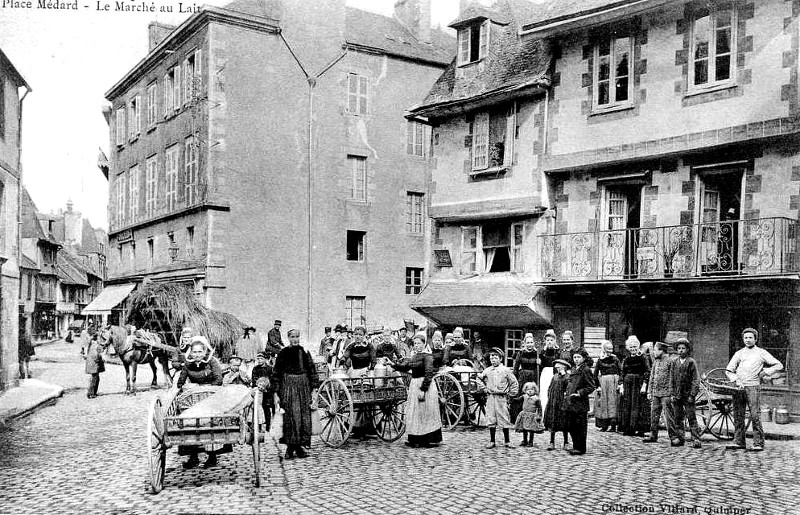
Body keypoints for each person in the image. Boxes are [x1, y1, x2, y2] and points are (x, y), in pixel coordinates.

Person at [725, 328, 784, 451]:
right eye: (745, 338)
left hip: (753, 387)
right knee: (738, 415)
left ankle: (758, 443)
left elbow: (779, 365)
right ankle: (739, 441)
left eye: (750, 337)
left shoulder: (761, 352)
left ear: (755, 339)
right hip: (739, 387)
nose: (748, 340)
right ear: (743, 339)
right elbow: (728, 370)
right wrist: (736, 380)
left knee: (754, 415)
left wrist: (765, 372)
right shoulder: (739, 353)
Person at [175, 337, 228, 468]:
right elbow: (180, 382)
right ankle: (193, 456)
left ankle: (212, 456)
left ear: (205, 352)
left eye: (200, 352)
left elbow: (219, 379)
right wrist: (188, 387)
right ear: (190, 353)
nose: (197, 355)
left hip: (210, 396)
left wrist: (204, 388)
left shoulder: (212, 362)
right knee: (189, 423)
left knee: (211, 422)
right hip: (193, 399)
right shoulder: (188, 364)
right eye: (194, 352)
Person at [273, 329, 319, 459]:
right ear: (288, 338)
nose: (295, 339)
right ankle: (290, 447)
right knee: (291, 417)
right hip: (288, 387)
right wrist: (276, 393)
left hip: (303, 387)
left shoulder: (304, 352)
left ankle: (299, 447)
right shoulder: (283, 353)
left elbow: (312, 370)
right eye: (292, 337)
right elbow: (276, 373)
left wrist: (314, 388)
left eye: (297, 336)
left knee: (303, 417)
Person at [393, 332, 443, 448]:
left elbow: (429, 373)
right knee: (415, 412)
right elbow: (406, 367)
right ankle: (415, 439)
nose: (416, 346)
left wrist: (423, 389)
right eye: (415, 344)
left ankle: (427, 440)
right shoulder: (414, 356)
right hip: (414, 384)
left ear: (424, 344)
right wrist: (393, 364)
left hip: (426, 386)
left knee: (426, 412)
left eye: (419, 343)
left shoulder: (427, 356)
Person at [478, 347, 519, 449]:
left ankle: (507, 441)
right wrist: (484, 389)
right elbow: (478, 379)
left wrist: (511, 394)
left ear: (500, 358)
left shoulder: (505, 370)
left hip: (501, 398)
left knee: (504, 418)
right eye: (492, 357)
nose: (493, 359)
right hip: (491, 397)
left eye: (496, 357)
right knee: (491, 418)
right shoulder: (487, 371)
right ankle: (492, 441)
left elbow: (514, 383)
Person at [643, 342, 679, 445]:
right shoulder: (656, 362)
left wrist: (671, 393)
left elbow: (673, 378)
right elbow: (652, 377)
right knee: (654, 415)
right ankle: (653, 435)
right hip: (655, 393)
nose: (654, 352)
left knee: (669, 416)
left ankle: (673, 437)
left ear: (661, 351)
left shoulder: (670, 362)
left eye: (655, 350)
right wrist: (650, 391)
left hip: (666, 393)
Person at [671, 338, 702, 449]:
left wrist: (692, 395)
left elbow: (695, 380)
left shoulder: (691, 362)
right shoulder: (674, 362)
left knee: (691, 417)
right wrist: (672, 393)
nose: (681, 350)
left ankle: (696, 439)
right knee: (678, 417)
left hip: (688, 395)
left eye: (683, 348)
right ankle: (680, 438)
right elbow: (671, 378)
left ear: (687, 350)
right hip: (677, 395)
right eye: (679, 348)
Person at [617, 336, 650, 436]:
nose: (633, 349)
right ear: (628, 348)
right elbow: (622, 372)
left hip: (638, 384)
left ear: (638, 346)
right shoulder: (626, 359)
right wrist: (621, 385)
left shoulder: (643, 358)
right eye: (631, 347)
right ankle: (628, 428)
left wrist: (644, 384)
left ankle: (639, 429)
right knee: (627, 405)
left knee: (638, 405)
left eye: (635, 347)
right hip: (627, 384)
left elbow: (648, 371)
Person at [565, 350, 595, 455]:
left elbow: (591, 386)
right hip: (571, 403)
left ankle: (580, 448)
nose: (576, 359)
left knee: (580, 427)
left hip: (580, 404)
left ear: (584, 358)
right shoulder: (573, 369)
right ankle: (575, 446)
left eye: (578, 357)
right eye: (574, 357)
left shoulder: (586, 370)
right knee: (571, 426)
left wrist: (580, 393)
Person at [511, 333, 539, 424]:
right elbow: (516, 367)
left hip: (533, 375)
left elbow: (539, 368)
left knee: (532, 395)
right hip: (522, 376)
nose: (530, 344)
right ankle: (517, 417)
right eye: (528, 342)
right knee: (521, 395)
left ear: (533, 343)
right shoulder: (520, 353)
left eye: (531, 342)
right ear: (525, 343)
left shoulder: (537, 353)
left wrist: (539, 363)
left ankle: (532, 417)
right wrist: (514, 379)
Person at [594, 340, 621, 432]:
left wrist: (620, 384)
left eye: (611, 349)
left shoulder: (615, 359)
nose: (610, 351)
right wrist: (597, 386)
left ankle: (613, 425)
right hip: (604, 383)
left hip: (614, 383)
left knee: (613, 403)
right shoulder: (600, 360)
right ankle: (604, 425)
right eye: (608, 349)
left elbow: (621, 371)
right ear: (604, 349)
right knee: (603, 404)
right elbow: (595, 373)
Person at [544, 359, 571, 450]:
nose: (557, 369)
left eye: (559, 367)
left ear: (564, 367)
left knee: (564, 423)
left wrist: (564, 375)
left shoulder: (568, 376)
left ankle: (566, 442)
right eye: (557, 368)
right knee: (553, 422)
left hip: (562, 403)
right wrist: (549, 396)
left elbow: (569, 387)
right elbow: (550, 387)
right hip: (553, 402)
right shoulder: (555, 376)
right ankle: (552, 442)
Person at [515, 382, 544, 447]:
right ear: (525, 390)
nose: (530, 391)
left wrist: (539, 416)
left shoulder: (536, 399)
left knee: (531, 429)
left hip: (532, 416)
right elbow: (518, 400)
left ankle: (531, 441)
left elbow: (539, 408)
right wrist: (513, 398)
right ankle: (525, 441)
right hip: (524, 415)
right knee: (524, 428)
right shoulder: (524, 396)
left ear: (535, 390)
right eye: (528, 389)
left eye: (532, 389)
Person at [251, 351, 274, 428]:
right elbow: (254, 379)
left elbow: (272, 379)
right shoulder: (255, 369)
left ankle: (268, 426)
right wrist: (259, 386)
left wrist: (267, 387)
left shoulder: (270, 369)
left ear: (265, 359)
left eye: (261, 358)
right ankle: (258, 426)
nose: (259, 360)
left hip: (268, 392)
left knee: (267, 408)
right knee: (257, 408)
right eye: (258, 359)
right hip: (259, 392)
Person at [539, 329, 559, 415]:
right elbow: (540, 364)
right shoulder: (542, 352)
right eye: (547, 340)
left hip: (554, 373)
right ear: (545, 341)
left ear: (555, 341)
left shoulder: (558, 351)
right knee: (544, 394)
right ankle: (544, 415)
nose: (549, 342)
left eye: (551, 340)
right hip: (545, 373)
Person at [84, 331, 107, 399]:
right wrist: (101, 357)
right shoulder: (95, 344)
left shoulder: (93, 343)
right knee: (94, 378)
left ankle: (93, 392)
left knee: (96, 377)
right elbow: (97, 354)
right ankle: (91, 393)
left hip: (93, 362)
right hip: (94, 362)